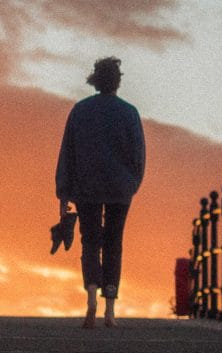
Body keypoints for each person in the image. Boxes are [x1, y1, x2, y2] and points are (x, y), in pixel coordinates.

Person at [55, 57, 145, 329]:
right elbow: (138, 156)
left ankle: (92, 297)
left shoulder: (80, 111)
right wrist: (132, 183)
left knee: (90, 241)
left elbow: (67, 154)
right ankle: (110, 308)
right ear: (117, 81)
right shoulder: (130, 113)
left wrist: (63, 193)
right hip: (119, 187)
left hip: (86, 185)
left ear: (94, 80)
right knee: (114, 242)